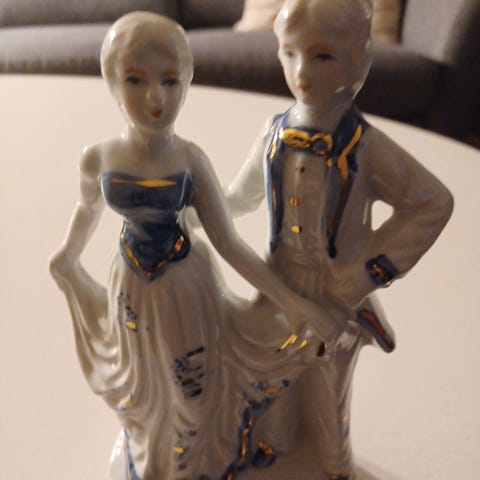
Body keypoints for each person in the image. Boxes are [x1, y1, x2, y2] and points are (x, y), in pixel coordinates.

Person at [49, 12, 338, 480]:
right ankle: (149, 460)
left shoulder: (190, 160)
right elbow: (87, 210)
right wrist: (67, 255)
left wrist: (293, 303)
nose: (155, 99)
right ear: (112, 83)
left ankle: (194, 466)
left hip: (185, 288)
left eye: (169, 81)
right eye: (136, 80)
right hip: (130, 286)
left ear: (187, 82)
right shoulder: (98, 158)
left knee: (192, 389)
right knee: (141, 386)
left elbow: (228, 242)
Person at [225, 0, 454, 478]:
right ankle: (278, 451)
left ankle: (332, 467)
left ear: (359, 62)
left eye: (321, 56)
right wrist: (197, 204)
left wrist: (364, 275)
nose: (301, 71)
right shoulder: (273, 133)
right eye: (289, 53)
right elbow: (240, 197)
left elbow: (432, 203)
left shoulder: (367, 147)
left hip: (336, 297)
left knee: (327, 393)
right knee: (270, 381)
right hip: (280, 287)